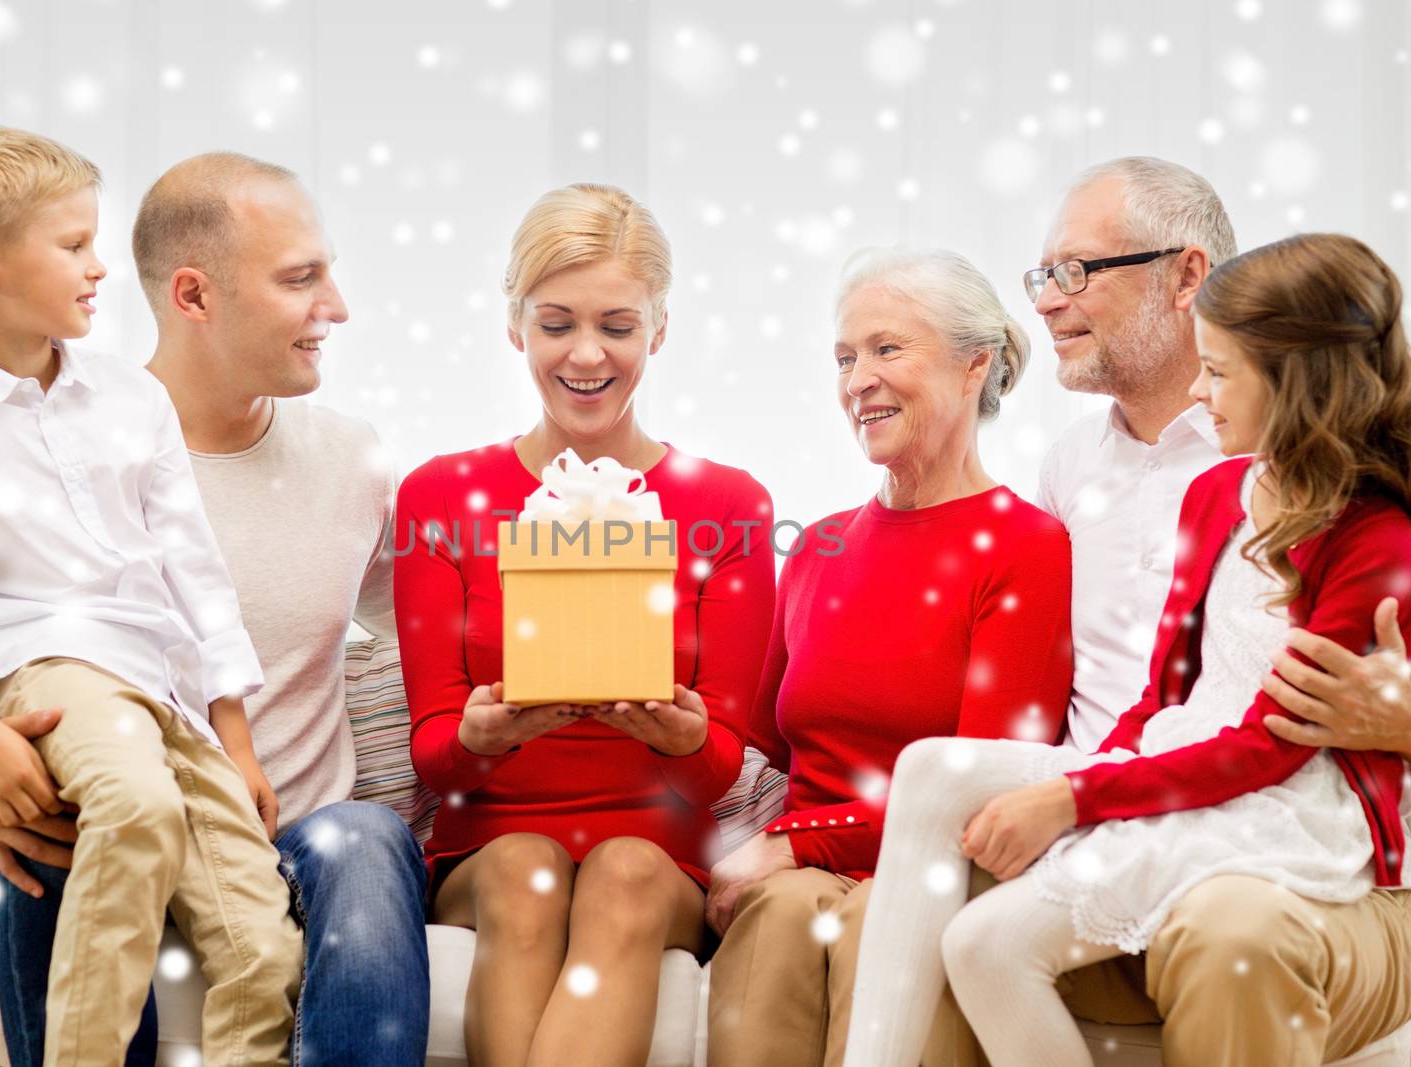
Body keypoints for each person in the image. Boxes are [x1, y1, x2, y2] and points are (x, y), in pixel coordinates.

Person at [0, 147, 431, 1067]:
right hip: (88, 800)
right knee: (78, 824)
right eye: (302, 278)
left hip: (284, 820)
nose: (337, 308)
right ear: (193, 295)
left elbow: (433, 624)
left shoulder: (348, 460)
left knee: (365, 839)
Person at [843, 231, 1411, 1067]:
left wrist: (1081, 800)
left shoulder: (1374, 536)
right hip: (1177, 754)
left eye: (1219, 372)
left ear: (1296, 384)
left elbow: (1269, 747)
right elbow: (1161, 693)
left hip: (1278, 803)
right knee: (933, 770)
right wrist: (1095, 784)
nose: (1198, 387)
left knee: (991, 942)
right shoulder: (1218, 491)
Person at [393, 182, 775, 1067]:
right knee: (528, 866)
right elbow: (434, 752)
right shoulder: (442, 497)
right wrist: (484, 733)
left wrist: (683, 739)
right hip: (488, 847)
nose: (588, 354)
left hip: (657, 848)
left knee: (629, 869)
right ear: (515, 326)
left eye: (618, 324)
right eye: (557, 323)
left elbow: (722, 762)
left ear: (660, 329)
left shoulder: (729, 506)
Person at [702, 248, 1072, 1067]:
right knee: (786, 915)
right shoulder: (819, 548)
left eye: (887, 349)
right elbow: (763, 747)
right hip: (800, 869)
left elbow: (981, 794)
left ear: (976, 363)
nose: (857, 379)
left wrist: (801, 844)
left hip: (928, 864)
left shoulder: (1025, 548)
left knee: (874, 918)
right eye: (844, 357)